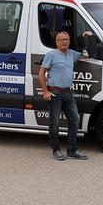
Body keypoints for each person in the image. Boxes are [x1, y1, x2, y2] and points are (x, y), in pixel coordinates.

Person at [39, 31, 92, 161]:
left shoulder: (72, 54)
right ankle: (56, 150)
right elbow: (41, 73)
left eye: (67, 39)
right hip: (55, 92)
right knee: (55, 123)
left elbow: (87, 54)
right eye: (62, 40)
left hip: (68, 93)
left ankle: (72, 151)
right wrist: (45, 91)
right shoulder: (51, 54)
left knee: (75, 119)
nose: (65, 42)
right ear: (56, 42)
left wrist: (86, 37)